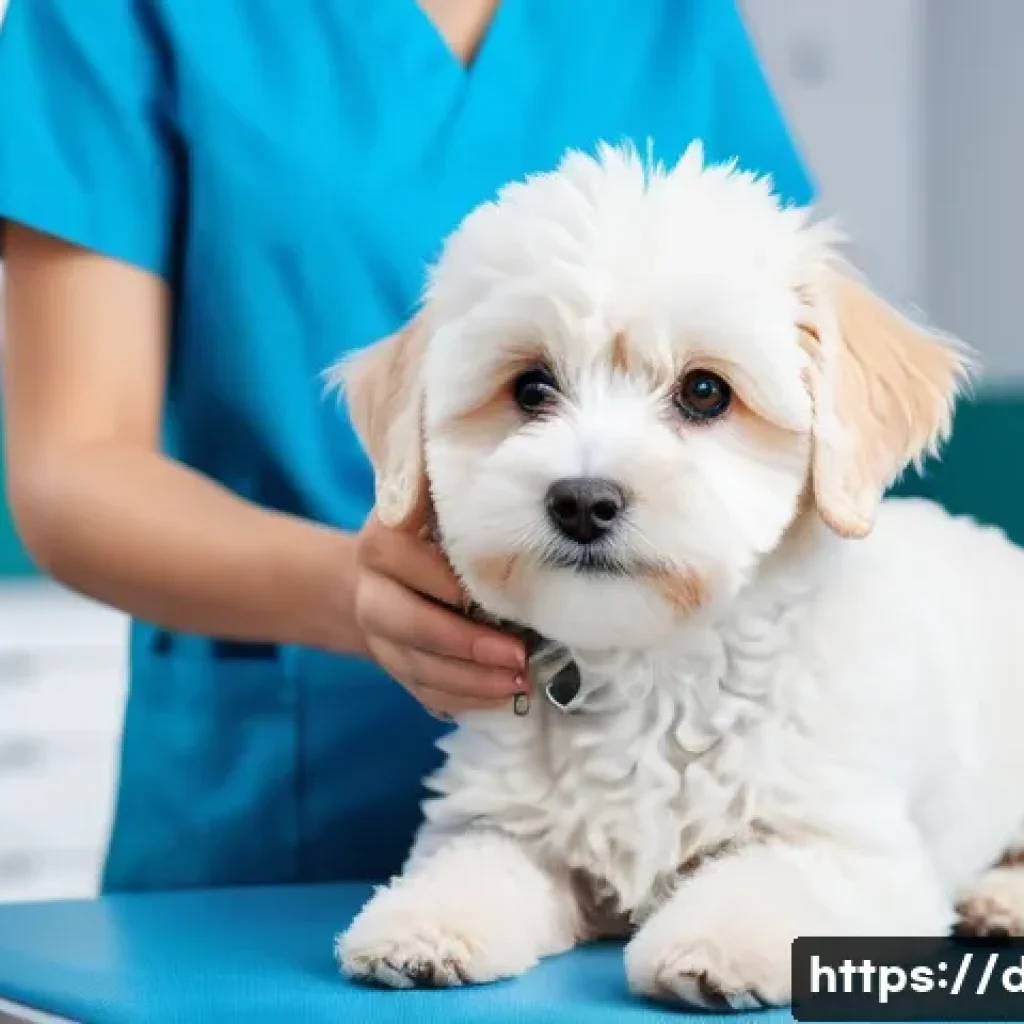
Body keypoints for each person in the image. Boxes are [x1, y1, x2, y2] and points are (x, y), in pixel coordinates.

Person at [0, 0, 814, 892]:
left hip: (677, 797)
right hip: (276, 818)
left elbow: (788, 367)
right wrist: (352, 591)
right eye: (533, 392)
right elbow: (72, 468)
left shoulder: (668, 19)